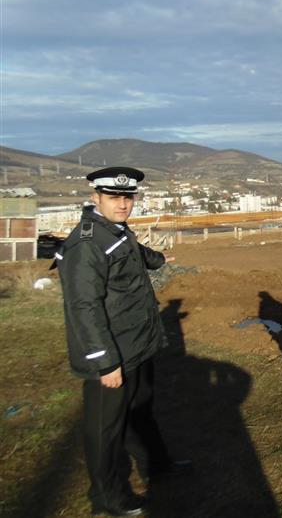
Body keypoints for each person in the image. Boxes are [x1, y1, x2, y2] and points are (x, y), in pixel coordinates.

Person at [54, 167, 189, 516]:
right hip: (113, 352)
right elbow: (84, 308)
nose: (122, 203)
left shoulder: (113, 231)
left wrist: (158, 259)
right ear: (95, 197)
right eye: (114, 196)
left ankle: (156, 465)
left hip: (136, 344)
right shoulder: (86, 244)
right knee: (106, 429)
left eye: (128, 197)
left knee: (140, 409)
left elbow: (131, 250)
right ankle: (106, 494)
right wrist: (105, 362)